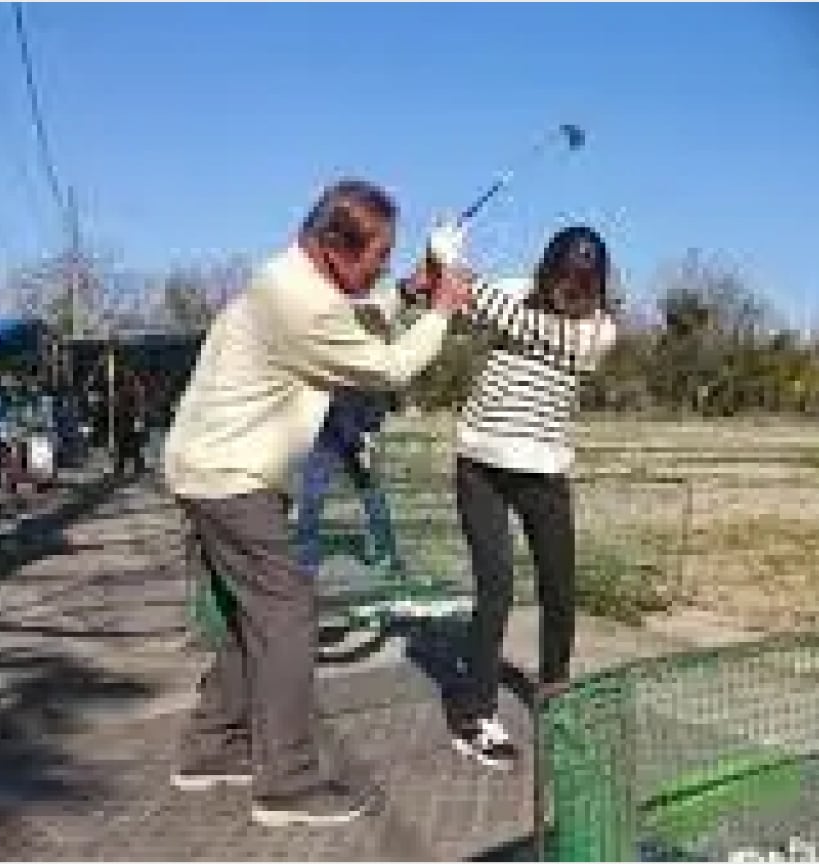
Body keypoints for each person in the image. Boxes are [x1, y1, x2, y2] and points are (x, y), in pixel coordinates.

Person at [161, 179, 471, 827]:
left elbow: (347, 317)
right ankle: (287, 785)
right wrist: (440, 308)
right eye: (378, 255)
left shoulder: (290, 279)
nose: (385, 265)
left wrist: (403, 295)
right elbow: (385, 367)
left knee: (251, 614)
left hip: (207, 470)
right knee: (288, 614)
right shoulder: (301, 305)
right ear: (333, 244)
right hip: (230, 478)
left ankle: (211, 748)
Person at [427, 223, 619, 771]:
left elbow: (515, 320)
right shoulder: (513, 290)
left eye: (584, 286)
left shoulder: (598, 333)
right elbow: (455, 299)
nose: (572, 294)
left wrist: (455, 263)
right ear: (549, 270)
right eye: (566, 280)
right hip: (481, 465)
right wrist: (438, 261)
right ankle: (476, 717)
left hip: (543, 472)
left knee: (560, 591)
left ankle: (555, 694)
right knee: (497, 589)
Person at [294, 295, 404, 576]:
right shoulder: (340, 358)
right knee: (312, 495)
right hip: (328, 435)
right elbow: (334, 400)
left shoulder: (382, 362)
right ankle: (305, 559)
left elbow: (386, 400)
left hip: (358, 433)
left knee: (372, 494)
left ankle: (387, 555)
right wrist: (358, 436)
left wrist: (369, 432)